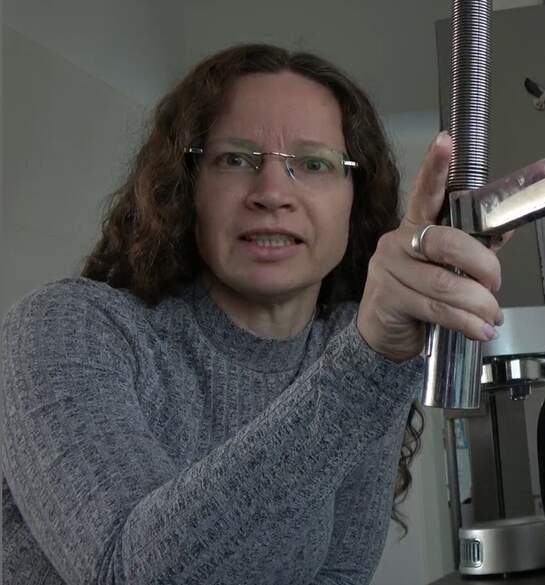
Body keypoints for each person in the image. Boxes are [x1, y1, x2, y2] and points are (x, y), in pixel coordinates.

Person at [0, 44, 505, 584]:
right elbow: (125, 574)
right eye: (235, 159)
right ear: (186, 188)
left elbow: (340, 573)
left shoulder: (347, 341)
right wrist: (368, 365)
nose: (272, 193)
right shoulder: (65, 329)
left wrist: (375, 358)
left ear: (354, 201)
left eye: (314, 164)